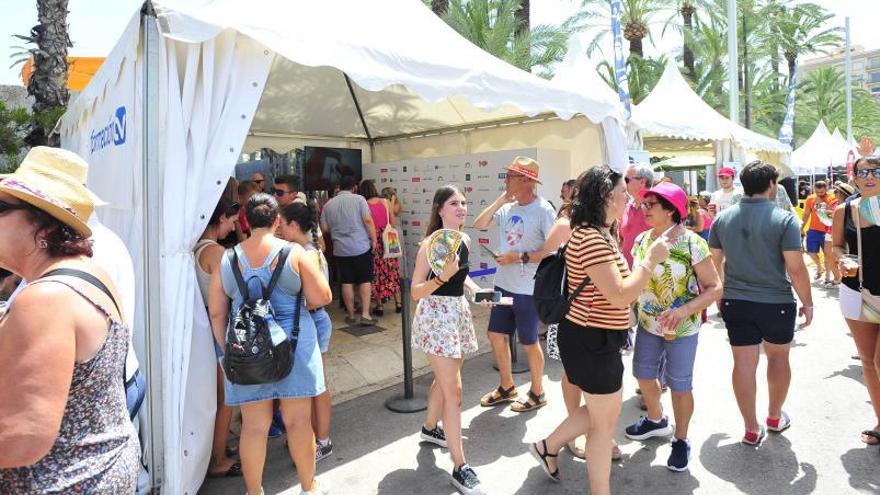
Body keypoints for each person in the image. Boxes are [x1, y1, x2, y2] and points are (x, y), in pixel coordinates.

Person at [0, 147, 139, 492]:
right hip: (100, 467)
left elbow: (23, 438)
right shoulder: (85, 273)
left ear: (42, 225)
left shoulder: (46, 297)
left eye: (1, 208)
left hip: (63, 479)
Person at [526, 165, 669, 495]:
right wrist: (650, 260)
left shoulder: (600, 233)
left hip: (598, 337)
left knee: (602, 412)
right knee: (604, 427)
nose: (627, 198)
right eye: (622, 192)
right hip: (592, 339)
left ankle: (547, 446)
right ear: (606, 196)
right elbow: (620, 293)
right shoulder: (590, 237)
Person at [208, 193, 331, 495]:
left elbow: (216, 311)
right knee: (299, 423)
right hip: (294, 345)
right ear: (277, 221)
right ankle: (308, 487)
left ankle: (254, 492)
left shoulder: (227, 257)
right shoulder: (296, 253)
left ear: (247, 221)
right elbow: (321, 298)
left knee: (253, 428)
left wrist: (229, 350)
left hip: (246, 349)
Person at [709, 160, 813, 446]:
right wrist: (808, 302)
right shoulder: (784, 219)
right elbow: (795, 267)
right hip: (775, 301)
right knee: (779, 358)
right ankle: (774, 416)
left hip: (735, 300)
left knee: (743, 363)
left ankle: (751, 428)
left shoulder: (723, 218)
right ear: (771, 185)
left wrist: (719, 294)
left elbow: (713, 262)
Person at [623, 182, 722, 472]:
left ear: (671, 210)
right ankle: (656, 419)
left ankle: (681, 439)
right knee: (642, 374)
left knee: (680, 385)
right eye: (644, 204)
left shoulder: (692, 243)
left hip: (683, 327)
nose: (644, 209)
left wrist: (684, 311)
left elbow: (715, 288)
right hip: (647, 323)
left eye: (651, 204)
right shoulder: (643, 240)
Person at [411, 185, 487, 495]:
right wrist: (442, 277)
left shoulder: (464, 239)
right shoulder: (430, 245)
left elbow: (462, 275)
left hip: (456, 313)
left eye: (464, 202)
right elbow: (415, 290)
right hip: (435, 317)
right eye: (453, 202)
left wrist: (475, 290)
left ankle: (430, 428)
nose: (461, 207)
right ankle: (460, 467)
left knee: (444, 381)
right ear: (440, 209)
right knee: (453, 391)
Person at [540, 195, 623, 462]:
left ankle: (588, 433)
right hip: (574, 315)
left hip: (601, 318)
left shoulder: (606, 227)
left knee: (597, 392)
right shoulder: (573, 227)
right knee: (575, 377)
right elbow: (546, 260)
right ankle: (574, 433)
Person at [472, 156, 556, 412]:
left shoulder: (543, 210)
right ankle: (507, 386)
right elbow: (478, 225)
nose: (506, 180)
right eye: (507, 175)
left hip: (528, 290)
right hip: (503, 287)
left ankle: (538, 392)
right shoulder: (507, 208)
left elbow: (554, 251)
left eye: (510, 176)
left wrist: (518, 257)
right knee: (495, 334)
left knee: (529, 342)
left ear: (527, 180)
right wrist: (501, 199)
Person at [279, 202, 335, 462]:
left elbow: (319, 298)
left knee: (317, 386)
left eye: (282, 223)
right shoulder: (300, 250)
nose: (278, 227)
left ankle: (323, 441)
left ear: (293, 225)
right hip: (308, 322)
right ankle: (309, 435)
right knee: (311, 385)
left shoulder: (308, 254)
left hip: (312, 321)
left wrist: (295, 303)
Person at [831, 158, 880, 446]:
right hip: (856, 291)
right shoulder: (843, 210)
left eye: (876, 171)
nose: (870, 176)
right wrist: (841, 259)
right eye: (863, 171)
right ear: (855, 177)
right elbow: (836, 245)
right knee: (868, 362)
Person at [194, 197, 242, 478]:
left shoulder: (195, 249)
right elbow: (223, 303)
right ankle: (217, 459)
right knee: (225, 400)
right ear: (220, 218)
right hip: (218, 332)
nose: (234, 225)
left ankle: (216, 449)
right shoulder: (217, 254)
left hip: (203, 331)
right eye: (232, 220)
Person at [320, 175, 379, 326]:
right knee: (365, 280)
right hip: (360, 246)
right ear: (354, 188)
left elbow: (324, 228)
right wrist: (374, 239)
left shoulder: (328, 204)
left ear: (339, 187)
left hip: (340, 249)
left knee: (346, 281)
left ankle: (351, 315)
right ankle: (365, 314)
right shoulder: (359, 200)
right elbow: (367, 220)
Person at [361, 179, 402, 315]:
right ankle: (398, 303)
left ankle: (379, 306)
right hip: (388, 239)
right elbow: (393, 222)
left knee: (377, 273)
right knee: (392, 270)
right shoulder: (384, 202)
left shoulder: (364, 205)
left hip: (375, 241)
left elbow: (366, 224)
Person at [801, 180, 837, 287]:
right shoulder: (810, 198)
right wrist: (801, 227)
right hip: (813, 230)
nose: (820, 194)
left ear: (826, 189)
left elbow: (833, 213)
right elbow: (806, 214)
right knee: (811, 252)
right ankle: (819, 267)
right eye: (817, 192)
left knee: (828, 256)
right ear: (814, 189)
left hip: (827, 231)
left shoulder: (832, 198)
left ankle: (827, 277)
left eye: (822, 192)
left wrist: (824, 205)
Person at [621, 163, 654, 268]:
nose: (623, 183)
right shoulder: (627, 207)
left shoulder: (656, 206)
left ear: (642, 181)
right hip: (629, 271)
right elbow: (622, 239)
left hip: (652, 273)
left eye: (627, 180)